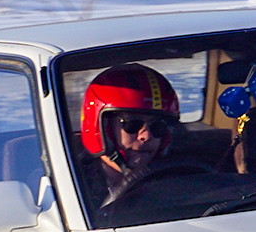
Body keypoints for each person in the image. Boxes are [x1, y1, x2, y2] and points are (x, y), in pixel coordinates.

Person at [76, 63, 181, 206]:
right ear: (104, 128)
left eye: (158, 126)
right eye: (132, 124)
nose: (146, 136)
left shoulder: (178, 178)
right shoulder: (74, 188)